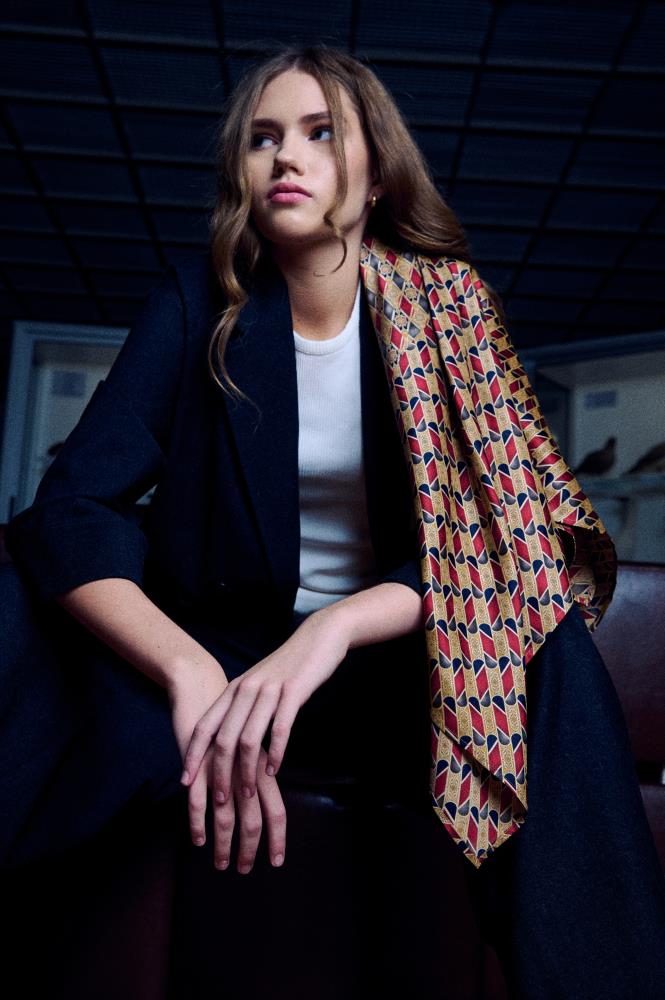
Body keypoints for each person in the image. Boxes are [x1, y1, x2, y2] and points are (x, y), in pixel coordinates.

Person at [2, 43, 665, 999]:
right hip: (225, 661)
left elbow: (520, 535)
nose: (286, 157)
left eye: (320, 134)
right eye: (263, 138)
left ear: (376, 168)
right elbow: (70, 507)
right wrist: (186, 669)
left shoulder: (452, 309)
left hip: (399, 673)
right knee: (27, 608)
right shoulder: (200, 307)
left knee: (545, 643)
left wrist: (338, 624)